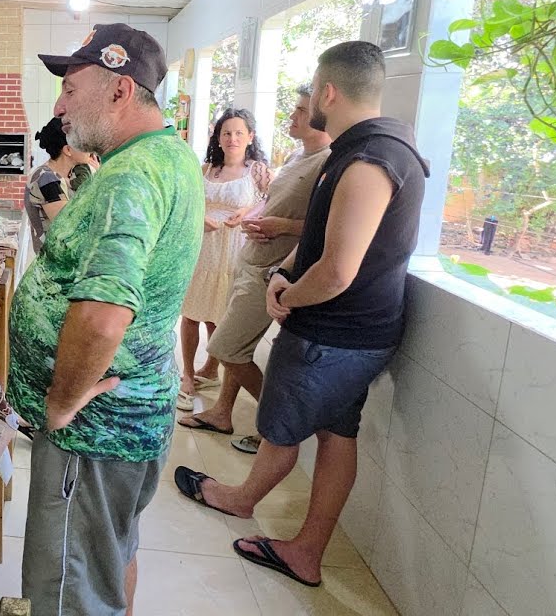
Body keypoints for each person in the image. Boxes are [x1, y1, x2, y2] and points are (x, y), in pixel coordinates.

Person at [172, 41, 429, 589]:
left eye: (311, 91)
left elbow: (337, 270)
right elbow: (319, 239)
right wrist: (282, 272)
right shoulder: (372, 149)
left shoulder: (368, 161)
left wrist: (286, 295)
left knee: (282, 428)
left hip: (333, 331)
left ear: (328, 92)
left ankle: (242, 501)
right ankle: (308, 549)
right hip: (357, 329)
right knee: (338, 436)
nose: (307, 101)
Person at [9, 23, 203, 616]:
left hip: (92, 432)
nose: (58, 106)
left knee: (69, 591)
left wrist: (63, 403)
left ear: (119, 90)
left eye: (70, 88)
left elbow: (101, 315)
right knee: (108, 559)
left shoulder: (130, 177)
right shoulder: (161, 156)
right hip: (127, 421)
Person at [178, 85, 333, 453]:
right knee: (216, 330)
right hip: (243, 256)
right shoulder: (298, 156)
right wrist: (260, 219)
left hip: (265, 266)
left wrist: (268, 222)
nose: (291, 116)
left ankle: (281, 423)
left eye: (299, 110)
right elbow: (273, 205)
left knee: (227, 341)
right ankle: (223, 410)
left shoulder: (325, 162)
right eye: (225, 132)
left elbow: (321, 225)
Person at [176, 109, 271, 411]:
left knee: (221, 313)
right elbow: (188, 204)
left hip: (235, 249)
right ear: (218, 137)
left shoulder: (258, 171)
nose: (232, 139)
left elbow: (273, 202)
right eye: (226, 133)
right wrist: (201, 218)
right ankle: (188, 374)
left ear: (250, 137)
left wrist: (247, 213)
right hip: (203, 247)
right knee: (192, 312)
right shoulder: (204, 170)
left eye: (239, 133)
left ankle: (212, 368)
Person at [24, 116, 97, 249]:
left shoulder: (73, 175)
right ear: (68, 150)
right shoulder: (46, 178)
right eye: (83, 143)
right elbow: (69, 228)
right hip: (56, 265)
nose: (90, 148)